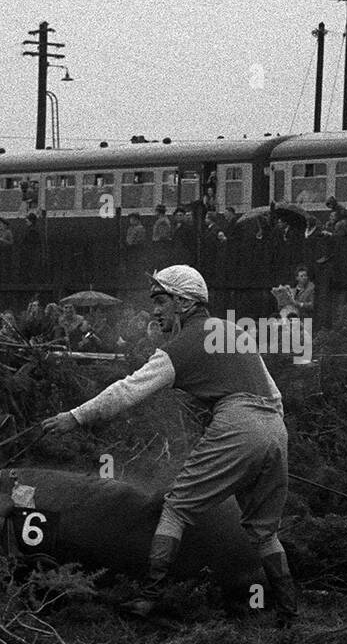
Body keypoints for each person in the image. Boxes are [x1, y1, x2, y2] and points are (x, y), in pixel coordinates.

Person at [40, 265, 296, 624]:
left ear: (183, 302)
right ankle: (288, 610)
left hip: (239, 423)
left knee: (175, 508)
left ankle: (149, 598)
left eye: (160, 302)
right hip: (274, 426)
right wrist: (264, 433)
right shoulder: (233, 331)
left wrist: (75, 417)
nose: (155, 310)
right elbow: (273, 392)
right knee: (264, 530)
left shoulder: (180, 347)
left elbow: (127, 390)